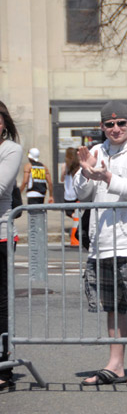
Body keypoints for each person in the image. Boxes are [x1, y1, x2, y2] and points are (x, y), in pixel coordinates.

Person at [74, 101, 127, 387]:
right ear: (102, 126)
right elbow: (81, 192)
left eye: (121, 123)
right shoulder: (97, 151)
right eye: (109, 124)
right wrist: (86, 172)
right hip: (103, 242)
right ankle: (115, 364)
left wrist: (107, 176)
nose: (115, 128)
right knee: (113, 306)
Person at [0, 101, 23, 391]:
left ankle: (3, 365)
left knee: (0, 303)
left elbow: (2, 188)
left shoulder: (10, 149)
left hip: (1, 237)